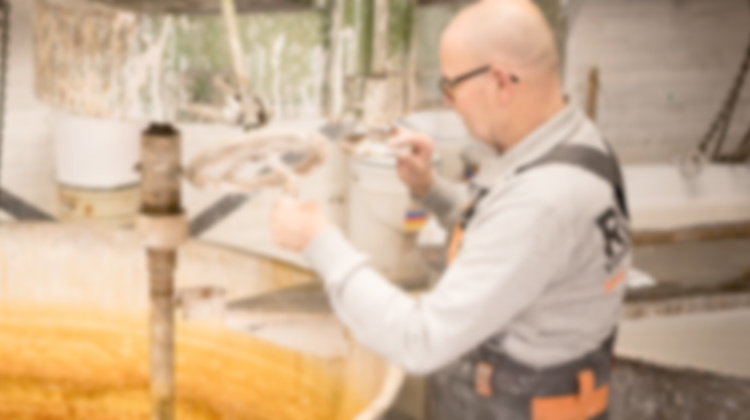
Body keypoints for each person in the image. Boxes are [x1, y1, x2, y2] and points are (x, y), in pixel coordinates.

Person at [269, 0, 633, 418]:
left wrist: (318, 241)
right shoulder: (577, 142)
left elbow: (420, 341)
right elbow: (506, 236)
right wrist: (430, 190)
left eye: (451, 85)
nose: (448, 102)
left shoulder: (544, 202)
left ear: (501, 83)